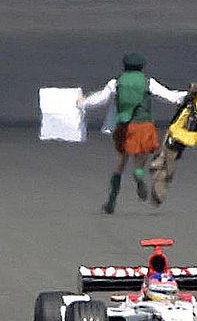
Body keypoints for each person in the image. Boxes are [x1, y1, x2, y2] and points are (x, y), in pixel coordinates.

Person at [79, 52, 188, 214]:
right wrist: (188, 95)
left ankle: (111, 201)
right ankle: (138, 173)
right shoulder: (148, 82)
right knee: (141, 157)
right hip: (144, 126)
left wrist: (83, 102)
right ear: (142, 68)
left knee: (121, 162)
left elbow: (101, 99)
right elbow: (170, 96)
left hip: (124, 127)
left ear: (123, 67)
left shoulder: (115, 83)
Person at [148, 82, 197, 206]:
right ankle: (159, 166)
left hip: (178, 135)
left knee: (168, 163)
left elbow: (182, 120)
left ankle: (159, 193)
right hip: (180, 135)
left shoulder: (192, 104)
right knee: (167, 158)